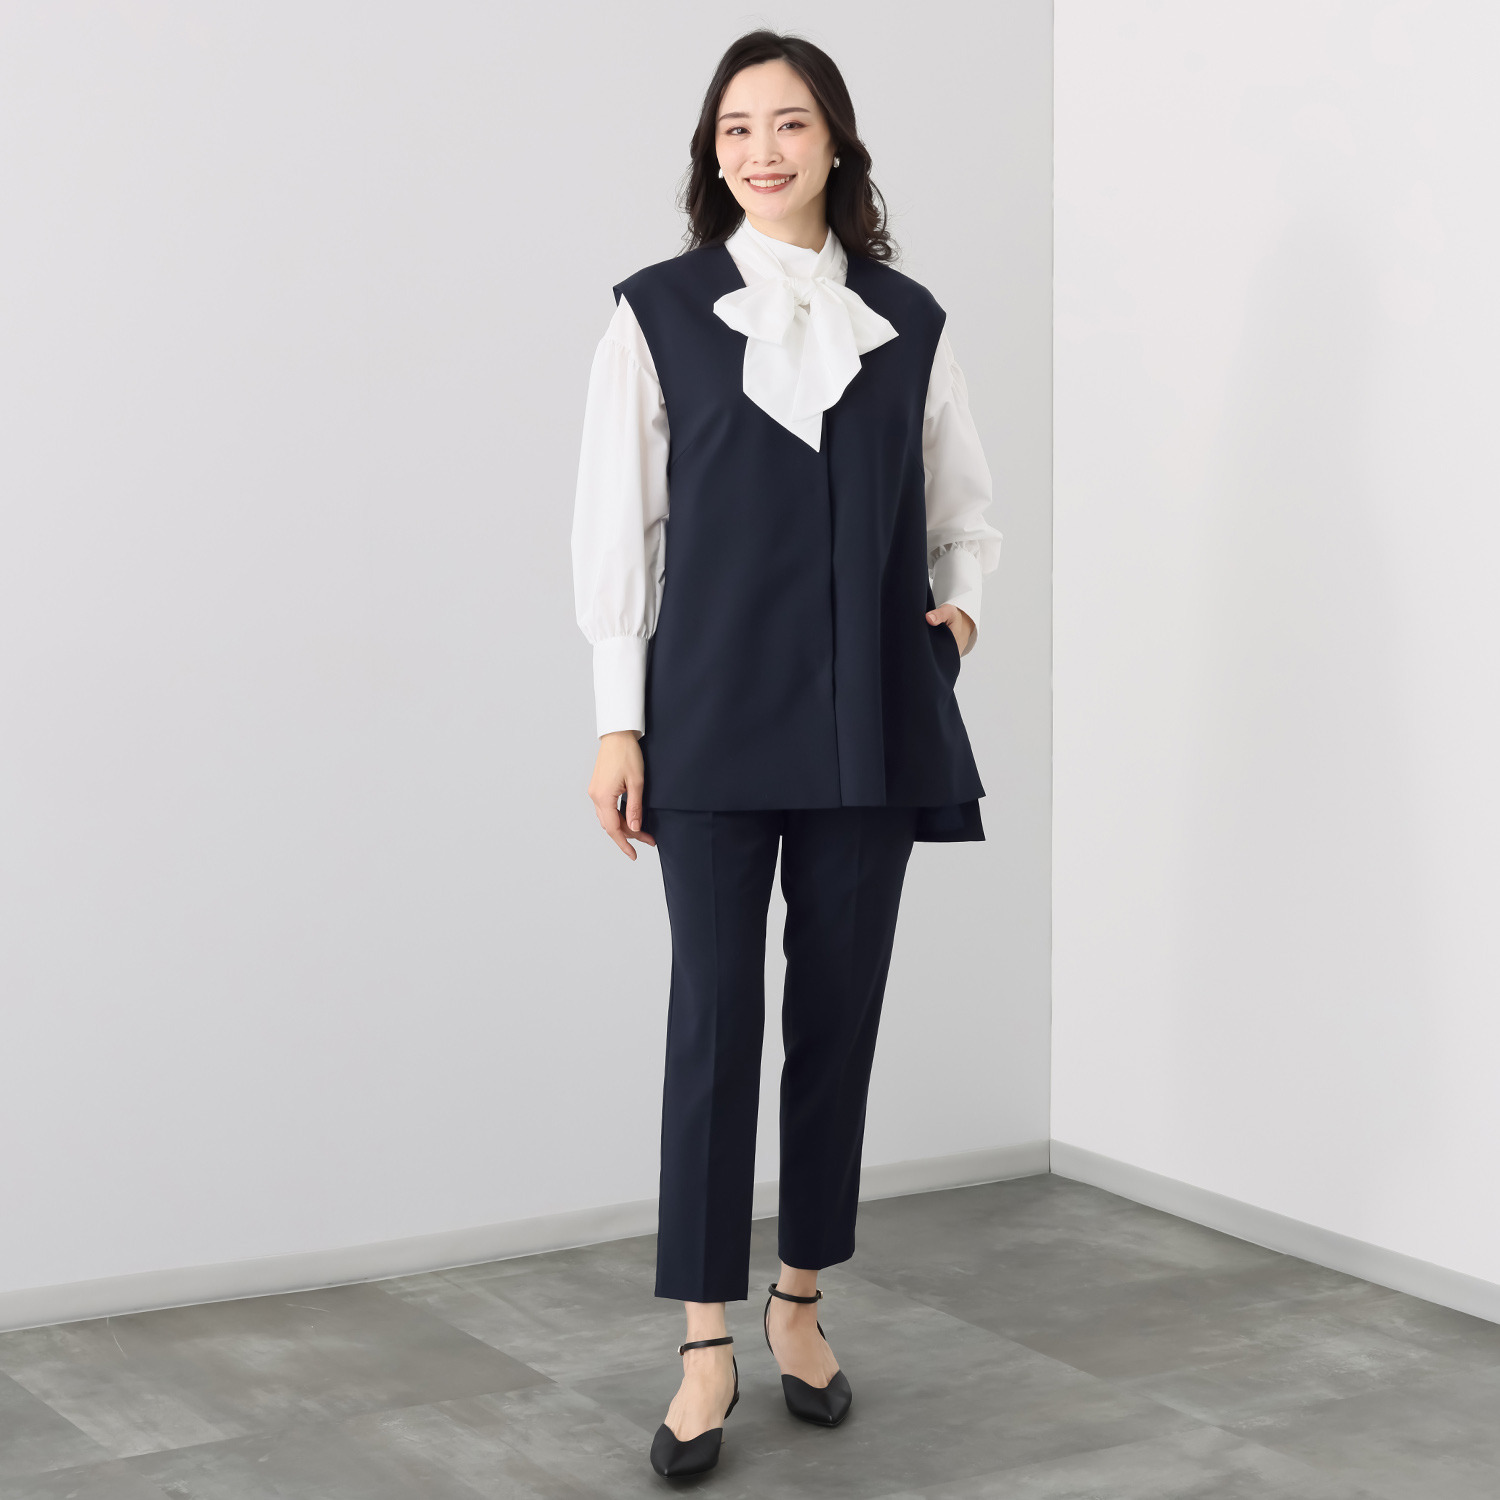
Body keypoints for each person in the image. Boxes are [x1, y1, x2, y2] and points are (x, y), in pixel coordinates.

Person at [570, 28, 1003, 1480]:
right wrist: (617, 718)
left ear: (836, 143)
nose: (763, 149)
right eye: (737, 128)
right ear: (714, 154)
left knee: (839, 1013)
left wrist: (955, 617)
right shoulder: (655, 314)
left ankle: (800, 1302)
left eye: (791, 123)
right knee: (715, 1022)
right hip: (703, 714)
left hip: (870, 719)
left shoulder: (910, 320)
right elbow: (619, 529)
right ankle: (706, 1342)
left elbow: (964, 509)